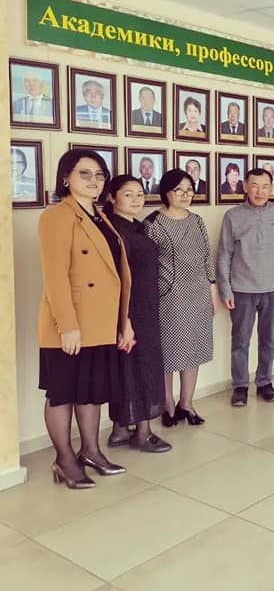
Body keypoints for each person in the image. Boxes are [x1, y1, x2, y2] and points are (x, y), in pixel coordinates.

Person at [37, 150, 133, 489]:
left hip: (101, 320)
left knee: (92, 391)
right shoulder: (57, 216)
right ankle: (64, 460)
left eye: (100, 175)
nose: (94, 180)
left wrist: (124, 322)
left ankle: (91, 451)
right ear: (66, 177)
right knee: (62, 392)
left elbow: (116, 274)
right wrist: (68, 326)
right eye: (85, 173)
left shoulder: (100, 215)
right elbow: (55, 276)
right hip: (71, 322)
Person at [145, 170, 217, 427]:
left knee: (194, 350)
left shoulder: (197, 220)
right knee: (168, 352)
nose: (186, 195)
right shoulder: (153, 223)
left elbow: (206, 257)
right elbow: (147, 265)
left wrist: (212, 291)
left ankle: (186, 403)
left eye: (189, 190)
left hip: (198, 294)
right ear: (166, 192)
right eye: (179, 190)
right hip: (169, 297)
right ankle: (167, 403)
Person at [103, 176, 170, 453]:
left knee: (131, 367)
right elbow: (117, 279)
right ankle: (143, 433)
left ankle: (120, 431)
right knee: (139, 367)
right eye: (128, 194)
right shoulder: (114, 231)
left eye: (140, 194)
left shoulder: (136, 226)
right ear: (112, 197)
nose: (135, 199)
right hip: (131, 311)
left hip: (145, 308)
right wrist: (125, 321)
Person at [217, 168, 274, 407]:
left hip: (273, 288)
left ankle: (265, 382)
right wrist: (225, 290)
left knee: (268, 339)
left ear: (271, 188)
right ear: (245, 187)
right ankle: (240, 386)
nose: (260, 191)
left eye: (265, 186)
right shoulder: (233, 216)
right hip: (242, 289)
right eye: (255, 185)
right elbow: (224, 254)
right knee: (240, 340)